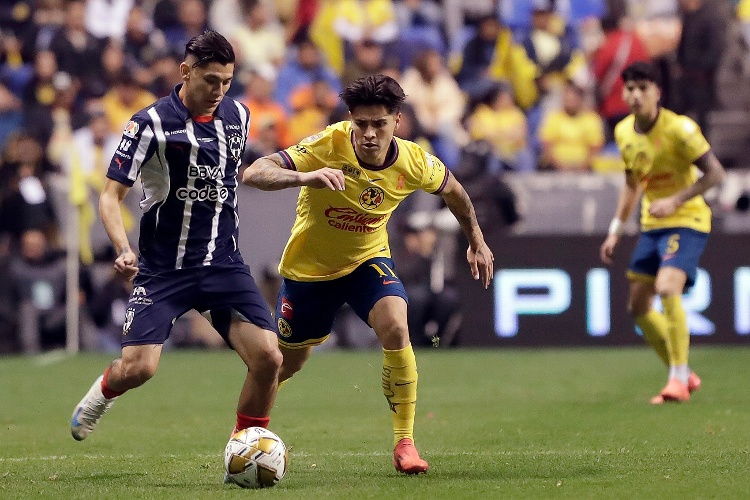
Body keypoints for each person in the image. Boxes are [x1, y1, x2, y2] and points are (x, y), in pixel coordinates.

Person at [242, 74, 494, 474]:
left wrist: (476, 240)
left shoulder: (414, 161)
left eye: (379, 124)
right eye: (361, 124)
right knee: (282, 365)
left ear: (397, 121)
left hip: (366, 262)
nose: (370, 134)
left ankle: (405, 444)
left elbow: (455, 193)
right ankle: (244, 438)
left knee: (396, 324)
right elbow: (255, 172)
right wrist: (304, 176)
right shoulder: (329, 144)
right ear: (351, 121)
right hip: (309, 272)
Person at [69, 31, 283, 466]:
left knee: (268, 357)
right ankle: (101, 395)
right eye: (210, 80)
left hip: (223, 264)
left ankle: (242, 450)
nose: (219, 91)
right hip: (163, 270)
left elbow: (245, 172)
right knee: (140, 369)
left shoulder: (239, 116)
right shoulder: (148, 123)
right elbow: (110, 195)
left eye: (226, 81)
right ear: (186, 72)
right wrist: (123, 247)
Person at [599, 61, 726, 404]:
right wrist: (615, 231)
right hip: (652, 225)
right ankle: (683, 372)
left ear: (658, 92)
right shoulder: (624, 132)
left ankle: (677, 380)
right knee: (637, 306)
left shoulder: (680, 130)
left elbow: (715, 174)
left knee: (668, 286)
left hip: (688, 219)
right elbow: (630, 185)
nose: (636, 95)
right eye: (630, 88)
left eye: (643, 88)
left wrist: (675, 200)